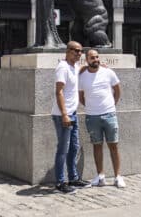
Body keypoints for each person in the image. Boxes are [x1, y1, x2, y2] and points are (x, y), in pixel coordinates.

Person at [78, 49, 125, 188]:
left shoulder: (108, 72)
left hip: (109, 114)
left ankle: (117, 176)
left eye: (97, 57)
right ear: (87, 60)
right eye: (92, 57)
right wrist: (91, 107)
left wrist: (112, 105)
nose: (96, 59)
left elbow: (117, 90)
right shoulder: (82, 76)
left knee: (113, 145)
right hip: (92, 116)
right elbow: (81, 97)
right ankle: (100, 176)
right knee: (97, 146)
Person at [52, 41, 89, 194]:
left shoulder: (74, 67)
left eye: (81, 51)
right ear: (67, 51)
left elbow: (84, 68)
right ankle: (60, 182)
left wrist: (100, 66)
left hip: (72, 113)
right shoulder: (62, 67)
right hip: (63, 115)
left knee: (74, 147)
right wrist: (64, 114)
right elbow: (59, 92)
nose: (79, 53)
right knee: (63, 149)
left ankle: (73, 178)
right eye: (76, 51)